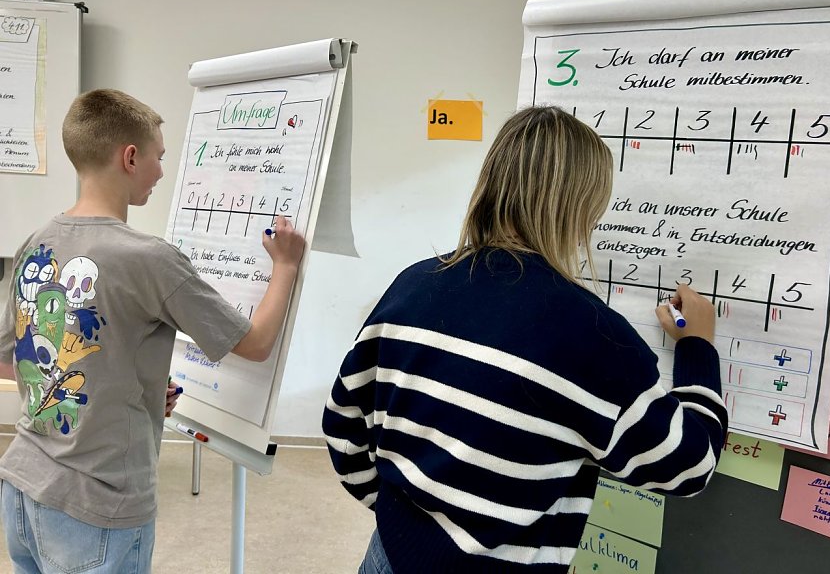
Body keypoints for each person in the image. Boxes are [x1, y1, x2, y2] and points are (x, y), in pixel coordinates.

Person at [322, 106, 727, 573]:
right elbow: (689, 466)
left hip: (388, 558)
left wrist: (399, 520)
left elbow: (343, 425)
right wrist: (697, 346)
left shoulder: (412, 285)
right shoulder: (591, 334)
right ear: (584, 206)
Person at [0, 89, 305, 573]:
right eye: (159, 157)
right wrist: (286, 266)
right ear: (130, 157)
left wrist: (119, 390)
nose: (163, 172)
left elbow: (13, 358)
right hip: (97, 506)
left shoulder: (35, 240)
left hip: (21, 485)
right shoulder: (149, 258)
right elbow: (256, 343)